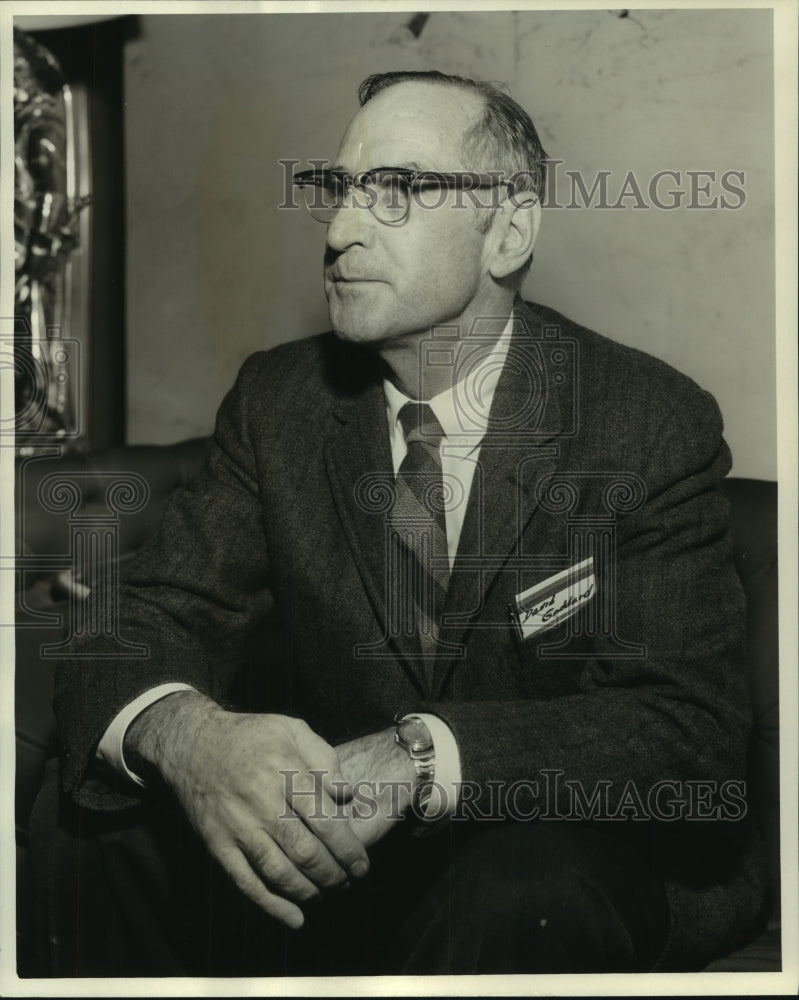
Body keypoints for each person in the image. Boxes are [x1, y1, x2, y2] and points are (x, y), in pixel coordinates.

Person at [31, 70, 770, 977]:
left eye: (397, 191)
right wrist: (190, 737)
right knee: (100, 831)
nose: (339, 233)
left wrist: (425, 759)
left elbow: (686, 734)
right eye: (336, 191)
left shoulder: (643, 421)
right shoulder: (279, 403)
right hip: (342, 870)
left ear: (508, 229)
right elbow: (131, 625)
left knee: (521, 886)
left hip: (551, 863)